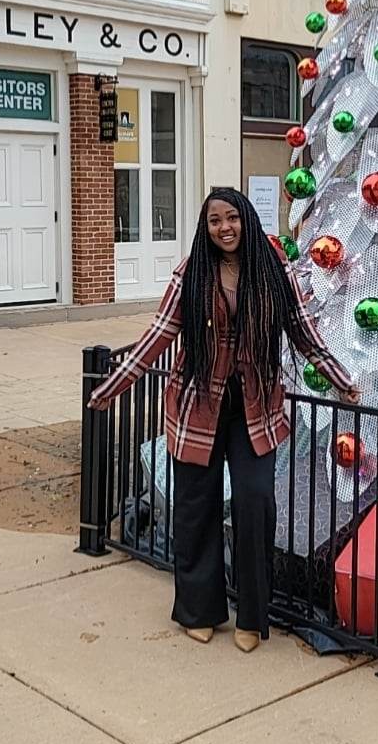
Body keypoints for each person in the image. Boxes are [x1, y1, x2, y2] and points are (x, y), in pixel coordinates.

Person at [89, 189, 359, 653]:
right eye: (215, 221)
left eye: (231, 218)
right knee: (196, 507)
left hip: (255, 407)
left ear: (245, 220)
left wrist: (342, 381)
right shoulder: (191, 272)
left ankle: (252, 615)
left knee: (256, 502)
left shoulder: (273, 271)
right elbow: (157, 337)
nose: (224, 228)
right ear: (206, 227)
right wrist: (111, 388)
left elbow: (304, 332)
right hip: (198, 405)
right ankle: (199, 610)